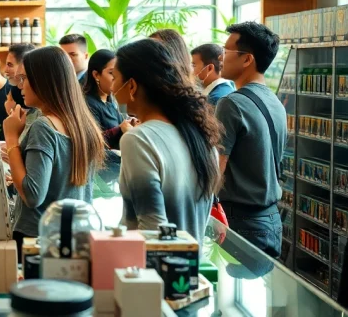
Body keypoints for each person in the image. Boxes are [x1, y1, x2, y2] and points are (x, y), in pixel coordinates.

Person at [111, 38, 222, 245]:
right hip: (187, 268)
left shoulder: (138, 139)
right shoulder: (200, 136)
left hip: (153, 271)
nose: (112, 87)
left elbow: (152, 229)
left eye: (115, 77)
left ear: (132, 85)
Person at [3, 46, 105, 256]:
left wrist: (12, 138)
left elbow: (32, 195)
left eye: (24, 78)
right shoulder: (83, 124)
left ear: (43, 80)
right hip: (76, 233)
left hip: (39, 237)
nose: (20, 86)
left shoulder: (43, 126)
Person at [216, 22, 286, 257]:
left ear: (247, 59)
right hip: (271, 220)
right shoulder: (275, 102)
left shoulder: (231, 103)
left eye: (226, 52)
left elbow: (217, 168)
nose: (220, 57)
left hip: (239, 221)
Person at [83, 49, 133, 150]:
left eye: (118, 74)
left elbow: (126, 118)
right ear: (96, 75)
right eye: (111, 73)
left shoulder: (116, 99)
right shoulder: (87, 104)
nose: (116, 78)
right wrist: (120, 129)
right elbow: (92, 142)